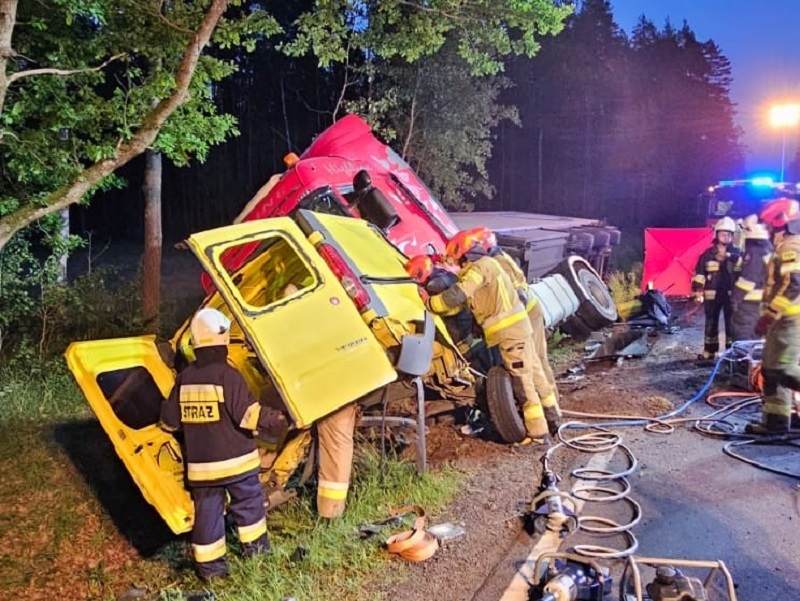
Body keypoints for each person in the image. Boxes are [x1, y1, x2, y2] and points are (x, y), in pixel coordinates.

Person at [159, 308, 289, 581]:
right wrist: (275, 418)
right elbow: (247, 415)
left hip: (202, 469)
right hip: (236, 463)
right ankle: (257, 557)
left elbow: (169, 421)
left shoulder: (185, 379)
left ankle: (211, 571)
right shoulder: (227, 375)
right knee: (248, 506)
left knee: (207, 514)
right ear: (222, 342)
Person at [424, 229, 550, 444]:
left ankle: (538, 434)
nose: (456, 265)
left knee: (521, 382)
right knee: (535, 373)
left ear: (463, 255)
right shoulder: (491, 263)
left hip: (509, 334)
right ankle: (552, 417)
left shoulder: (480, 269)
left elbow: (459, 295)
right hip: (518, 328)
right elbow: (462, 304)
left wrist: (429, 304)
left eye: (457, 261)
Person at [470, 227, 562, 434]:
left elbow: (515, 295)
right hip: (524, 316)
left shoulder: (496, 264)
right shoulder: (501, 258)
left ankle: (545, 420)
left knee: (534, 364)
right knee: (534, 366)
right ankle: (552, 414)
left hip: (526, 316)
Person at [747, 198, 800, 434]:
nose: (767, 231)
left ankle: (778, 423)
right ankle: (777, 422)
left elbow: (794, 284)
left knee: (783, 370)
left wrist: (769, 314)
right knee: (770, 369)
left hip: (790, 320)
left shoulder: (791, 247)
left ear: (781, 224)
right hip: (782, 322)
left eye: (769, 226)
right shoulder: (785, 246)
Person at [691, 216, 742, 361]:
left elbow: (745, 268)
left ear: (733, 236)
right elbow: (700, 273)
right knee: (711, 322)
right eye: (722, 234)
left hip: (731, 295)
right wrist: (697, 291)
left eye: (728, 234)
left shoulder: (738, 253)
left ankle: (731, 352)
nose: (725, 237)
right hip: (711, 294)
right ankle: (709, 350)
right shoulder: (708, 254)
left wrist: (730, 256)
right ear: (716, 235)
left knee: (731, 324)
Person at [730, 215, 773, 342]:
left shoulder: (754, 252)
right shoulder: (768, 249)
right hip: (763, 301)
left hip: (749, 302)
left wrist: (735, 297)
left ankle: (743, 360)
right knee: (758, 336)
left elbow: (748, 279)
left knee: (744, 333)